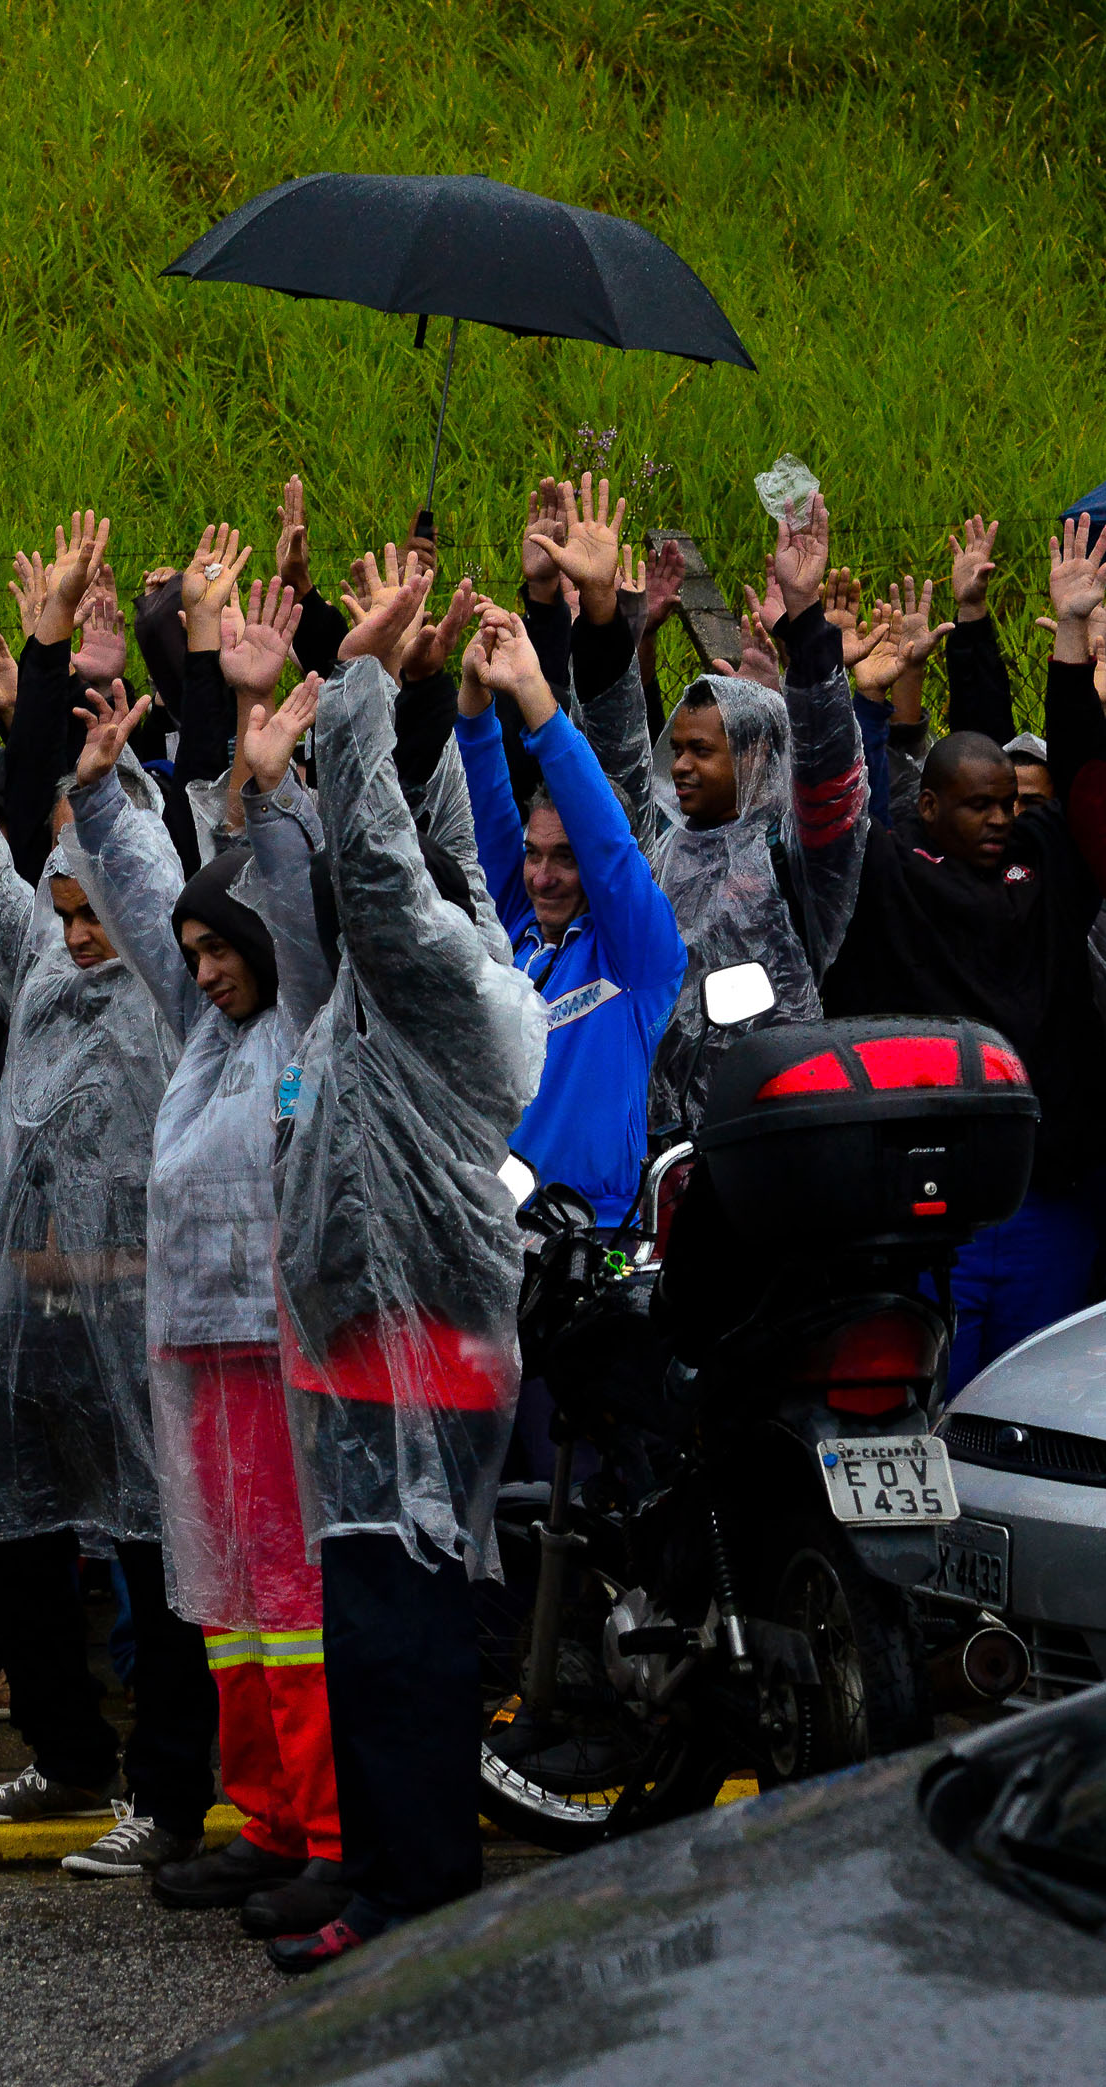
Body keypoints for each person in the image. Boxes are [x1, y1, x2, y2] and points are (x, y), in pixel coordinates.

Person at [265, 593, 549, 1975]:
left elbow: (387, 871)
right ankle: (378, 1873)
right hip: (355, 1364)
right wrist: (410, 700)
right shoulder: (445, 955)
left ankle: (414, 1892)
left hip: (418, 1372)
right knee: (366, 1640)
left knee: (405, 1652)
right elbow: (427, 846)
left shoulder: (448, 981)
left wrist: (355, 676)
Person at [0, 640, 210, 1878]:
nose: (77, 932)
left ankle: (171, 1787)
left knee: (158, 1555)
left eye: (94, 913)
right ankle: (65, 1752)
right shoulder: (35, 959)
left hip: (142, 1320)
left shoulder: (175, 987)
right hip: (30, 1321)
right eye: (65, 910)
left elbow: (139, 874)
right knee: (10, 1537)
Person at [75, 670, 350, 1937]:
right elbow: (144, 907)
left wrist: (270, 785)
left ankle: (331, 1828)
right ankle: (266, 1819)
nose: (204, 970)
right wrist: (91, 796)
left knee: (292, 1598)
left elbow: (279, 898)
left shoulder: (303, 1014)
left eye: (219, 951)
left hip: (289, 1349)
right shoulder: (205, 1034)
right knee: (231, 1598)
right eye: (193, 957)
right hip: (204, 1352)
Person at [825, 517, 1106, 1386]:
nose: (999, 820)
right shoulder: (889, 881)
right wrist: (867, 703)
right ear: (926, 812)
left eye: (1007, 805)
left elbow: (1079, 776)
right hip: (925, 1214)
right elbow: (842, 812)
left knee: (1038, 1417)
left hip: (1047, 1207)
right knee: (927, 1412)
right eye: (976, 807)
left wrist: (1065, 638)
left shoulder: (1047, 874)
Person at [451, 492, 685, 1223]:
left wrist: (539, 702)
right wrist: (473, 703)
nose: (543, 875)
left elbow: (609, 844)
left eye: (564, 860)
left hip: (600, 1240)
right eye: (535, 856)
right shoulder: (516, 929)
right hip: (497, 1237)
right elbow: (489, 819)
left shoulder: (636, 957)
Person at [624, 496, 868, 1142]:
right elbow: (617, 754)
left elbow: (826, 764)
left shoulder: (794, 849)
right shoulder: (662, 847)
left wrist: (807, 621)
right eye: (676, 749)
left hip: (777, 1125)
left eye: (702, 751)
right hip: (663, 1139)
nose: (679, 766)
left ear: (756, 752)